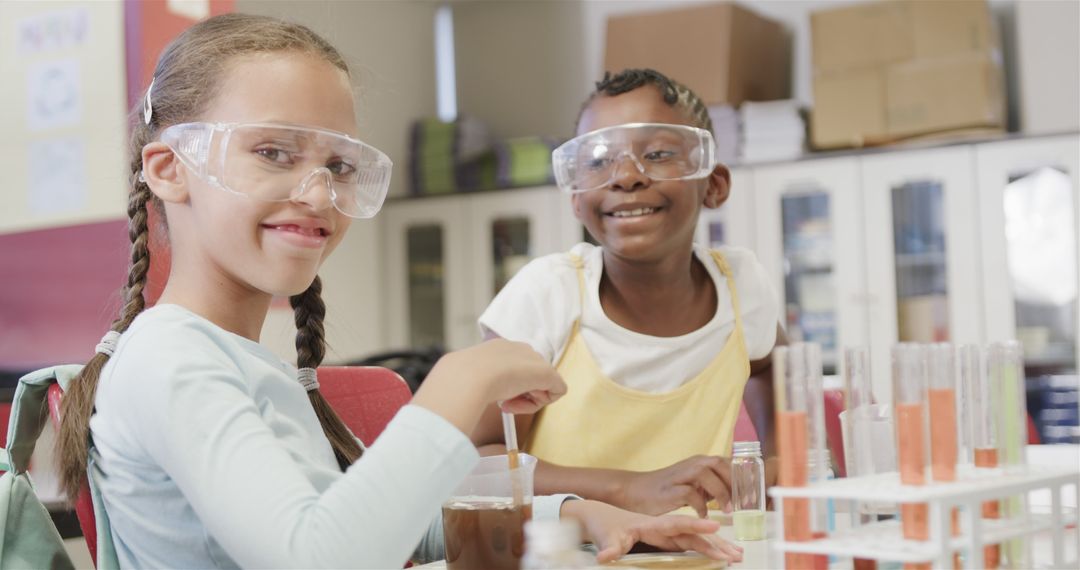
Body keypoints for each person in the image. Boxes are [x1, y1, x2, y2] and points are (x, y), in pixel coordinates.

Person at [53, 18, 742, 568]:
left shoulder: (236, 361)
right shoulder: (173, 360)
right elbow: (325, 555)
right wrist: (457, 383)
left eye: (339, 164)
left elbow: (387, 530)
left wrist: (571, 513)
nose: (319, 192)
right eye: (273, 152)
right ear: (170, 169)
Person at [474, 68, 786, 518]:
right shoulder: (550, 294)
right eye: (597, 161)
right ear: (577, 199)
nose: (625, 176)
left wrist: (771, 463)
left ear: (713, 185)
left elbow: (777, 369)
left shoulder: (741, 287)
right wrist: (625, 489)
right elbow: (478, 461)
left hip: (698, 552)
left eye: (657, 153)